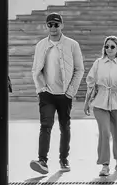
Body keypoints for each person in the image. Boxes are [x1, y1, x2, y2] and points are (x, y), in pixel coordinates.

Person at [30, 11, 83, 175]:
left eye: (56, 24)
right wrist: (41, 89)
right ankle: (42, 161)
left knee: (64, 127)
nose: (53, 27)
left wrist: (70, 92)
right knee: (45, 126)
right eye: (50, 25)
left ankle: (63, 159)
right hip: (47, 94)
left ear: (62, 25)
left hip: (65, 95)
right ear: (47, 26)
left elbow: (79, 69)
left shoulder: (72, 44)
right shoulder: (41, 45)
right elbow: (35, 70)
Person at [86, 35, 117, 176]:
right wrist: (90, 95)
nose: (109, 49)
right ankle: (104, 165)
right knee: (104, 132)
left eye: (112, 46)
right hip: (100, 103)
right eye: (106, 46)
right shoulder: (98, 63)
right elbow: (90, 81)